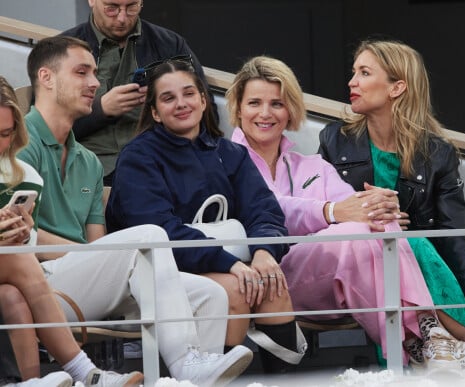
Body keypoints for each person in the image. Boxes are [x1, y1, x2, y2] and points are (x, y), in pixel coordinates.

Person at [226, 55, 465, 376]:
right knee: (359, 225)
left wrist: (378, 208)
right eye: (254, 103)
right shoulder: (224, 160)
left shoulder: (312, 166)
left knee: (376, 215)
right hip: (268, 281)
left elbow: (358, 210)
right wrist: (331, 211)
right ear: (238, 109)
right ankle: (431, 339)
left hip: (329, 282)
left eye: (276, 103)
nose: (265, 113)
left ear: (290, 110)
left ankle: (427, 342)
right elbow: (259, 210)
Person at [16, 36, 252, 386]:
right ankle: (186, 362)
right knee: (149, 237)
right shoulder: (19, 143)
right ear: (46, 78)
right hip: (38, 284)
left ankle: (198, 375)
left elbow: (97, 243)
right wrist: (97, 255)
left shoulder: (90, 162)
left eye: (95, 73)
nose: (95, 83)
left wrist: (99, 256)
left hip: (88, 283)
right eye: (82, 72)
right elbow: (22, 236)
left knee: (211, 295)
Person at [106, 57, 306, 373]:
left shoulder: (231, 154)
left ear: (202, 99)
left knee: (271, 283)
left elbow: (264, 210)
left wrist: (265, 252)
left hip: (218, 263)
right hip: (159, 273)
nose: (181, 104)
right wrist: (229, 263)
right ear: (155, 112)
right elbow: (158, 230)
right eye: (168, 98)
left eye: (188, 94)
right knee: (237, 289)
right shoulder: (138, 157)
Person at [318, 39, 465, 341]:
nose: (352, 81)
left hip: (419, 269)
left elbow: (453, 230)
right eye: (354, 71)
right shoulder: (335, 139)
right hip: (354, 266)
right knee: (395, 238)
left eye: (364, 73)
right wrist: (378, 217)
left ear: (396, 88)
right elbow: (319, 210)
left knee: (409, 243)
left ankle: (450, 352)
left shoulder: (438, 154)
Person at [0, 74, 141, 386]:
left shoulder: (20, 172)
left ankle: (26, 383)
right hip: (40, 269)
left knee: (10, 295)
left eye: (6, 134)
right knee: (148, 238)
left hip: (20, 272)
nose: (0, 145)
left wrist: (22, 231)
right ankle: (86, 373)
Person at [61, 0, 217, 185]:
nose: (122, 18)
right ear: (92, 1)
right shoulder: (63, 51)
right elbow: (43, 128)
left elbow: (208, 110)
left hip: (159, 164)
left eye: (132, 7)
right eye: (112, 8)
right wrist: (101, 109)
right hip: (87, 171)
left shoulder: (170, 45)